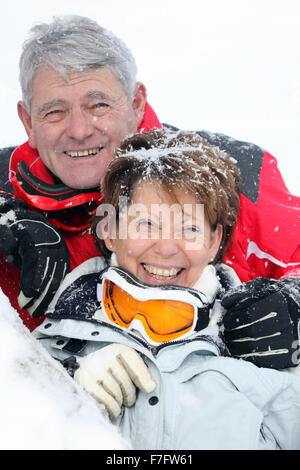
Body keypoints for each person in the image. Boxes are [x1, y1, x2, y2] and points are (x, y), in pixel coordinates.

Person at [0, 15, 299, 370]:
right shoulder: (6, 192)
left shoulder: (229, 174)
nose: (79, 130)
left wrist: (294, 305)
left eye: (98, 105)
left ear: (136, 102)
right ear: (28, 121)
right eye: (55, 111)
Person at [35, 129, 300, 450]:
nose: (165, 248)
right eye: (146, 224)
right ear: (111, 231)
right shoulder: (38, 356)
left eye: (189, 228)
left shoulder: (266, 352)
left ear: (214, 242)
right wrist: (64, 382)